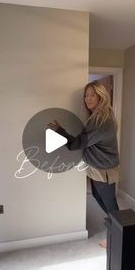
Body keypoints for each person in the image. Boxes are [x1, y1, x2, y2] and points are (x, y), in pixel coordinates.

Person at [47, 81, 120, 218]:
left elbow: (77, 144)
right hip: (99, 165)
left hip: (103, 168)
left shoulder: (101, 120)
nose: (88, 99)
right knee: (98, 197)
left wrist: (59, 131)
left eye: (93, 95)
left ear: (101, 97)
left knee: (111, 205)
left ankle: (121, 236)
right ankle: (114, 231)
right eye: (86, 95)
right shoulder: (100, 115)